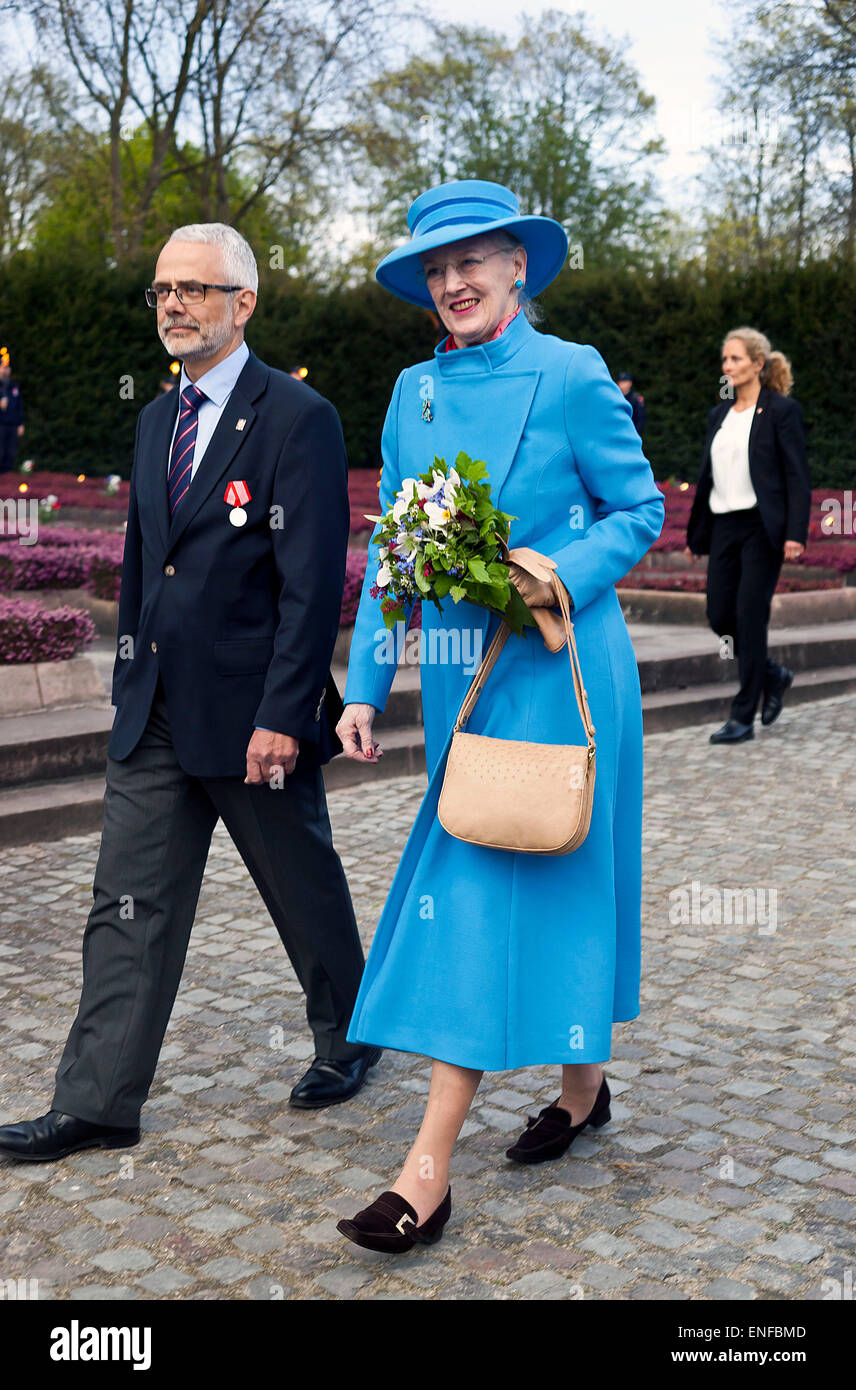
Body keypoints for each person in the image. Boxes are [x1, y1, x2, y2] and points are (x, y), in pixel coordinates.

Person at [0, 222, 378, 1165]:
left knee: (303, 888)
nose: (173, 304)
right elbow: (142, 568)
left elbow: (309, 584)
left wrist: (284, 715)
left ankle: (351, 1034)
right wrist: (131, 678)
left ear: (242, 304)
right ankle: (96, 1100)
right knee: (125, 906)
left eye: (195, 290)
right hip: (156, 715)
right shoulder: (154, 419)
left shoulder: (299, 417)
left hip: (255, 720)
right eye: (163, 289)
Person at [333, 179, 665, 1253]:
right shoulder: (408, 394)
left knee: (553, 866)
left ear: (519, 265)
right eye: (433, 270)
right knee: (481, 871)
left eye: (470, 260)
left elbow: (641, 509)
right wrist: (364, 686)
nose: (451, 283)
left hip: (568, 664)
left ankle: (428, 1168)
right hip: (463, 681)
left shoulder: (570, 376)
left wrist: (554, 573)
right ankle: (583, 1091)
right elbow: (395, 549)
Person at [685, 326, 811, 744]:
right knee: (719, 615)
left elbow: (797, 476)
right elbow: (707, 478)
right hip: (724, 525)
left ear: (758, 363)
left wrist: (796, 532)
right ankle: (772, 675)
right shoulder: (717, 415)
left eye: (736, 358)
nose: (728, 366)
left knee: (749, 619)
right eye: (725, 359)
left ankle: (743, 716)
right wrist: (696, 535)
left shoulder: (781, 410)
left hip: (762, 527)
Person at [0, 354, 25, 473]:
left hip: (12, 424)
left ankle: (7, 476)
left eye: (7, 368)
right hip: (1, 424)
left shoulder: (13, 386)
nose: (6, 370)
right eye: (3, 367)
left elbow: (19, 406)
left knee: (11, 451)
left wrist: (20, 423)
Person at [616, 370, 646, 435]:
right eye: (620, 382)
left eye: (624, 382)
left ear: (630, 383)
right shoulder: (615, 397)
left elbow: (640, 419)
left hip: (631, 433)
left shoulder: (635, 398)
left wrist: (634, 434)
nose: (621, 384)